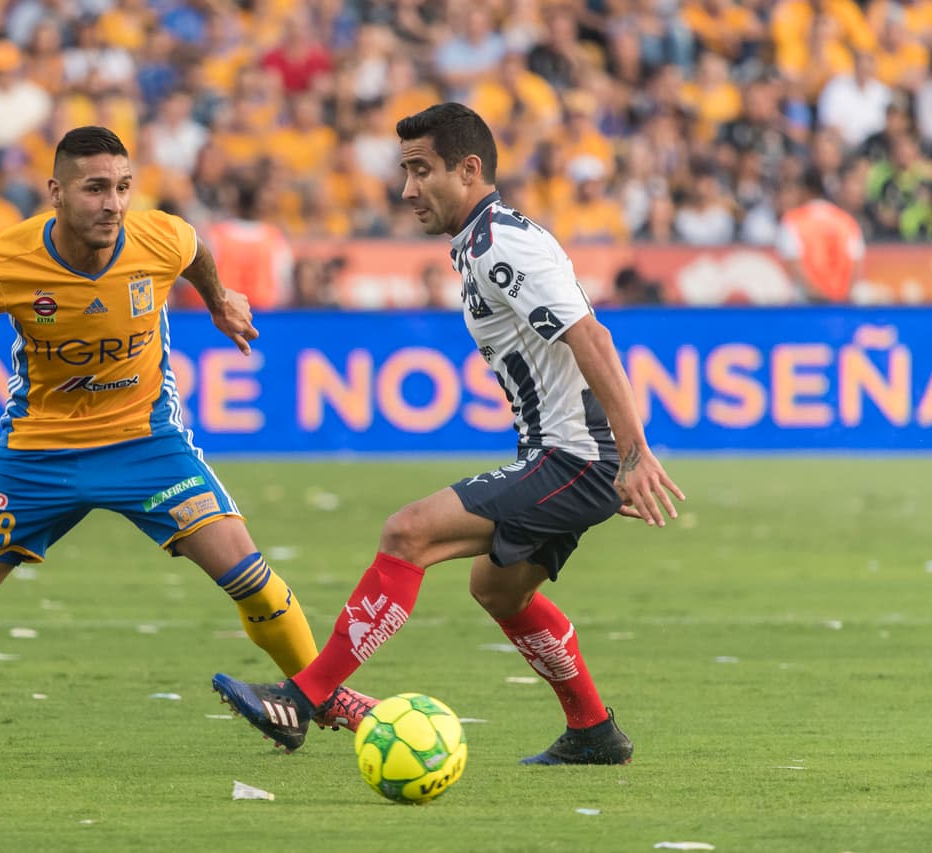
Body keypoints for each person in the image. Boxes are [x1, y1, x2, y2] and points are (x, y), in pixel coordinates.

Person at [0, 126, 373, 755]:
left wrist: (219, 301)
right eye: (95, 189)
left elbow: (194, 249)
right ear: (55, 192)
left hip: (146, 444)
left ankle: (319, 696)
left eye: (122, 188)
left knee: (247, 571)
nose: (113, 203)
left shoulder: (159, 236)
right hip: (37, 454)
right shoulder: (4, 260)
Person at [212, 103, 685, 764]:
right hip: (574, 456)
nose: (406, 189)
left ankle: (304, 697)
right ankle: (593, 731)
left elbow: (591, 338)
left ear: (468, 169)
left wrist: (628, 454)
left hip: (574, 456)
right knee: (497, 589)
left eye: (420, 170)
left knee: (409, 532)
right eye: (404, 171)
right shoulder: (481, 243)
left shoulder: (502, 244)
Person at [775, 169, 865, 303]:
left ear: (805, 191)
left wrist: (817, 295)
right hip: (841, 302)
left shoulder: (792, 221)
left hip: (807, 305)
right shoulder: (846, 220)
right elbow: (857, 264)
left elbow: (793, 264)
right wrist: (842, 296)